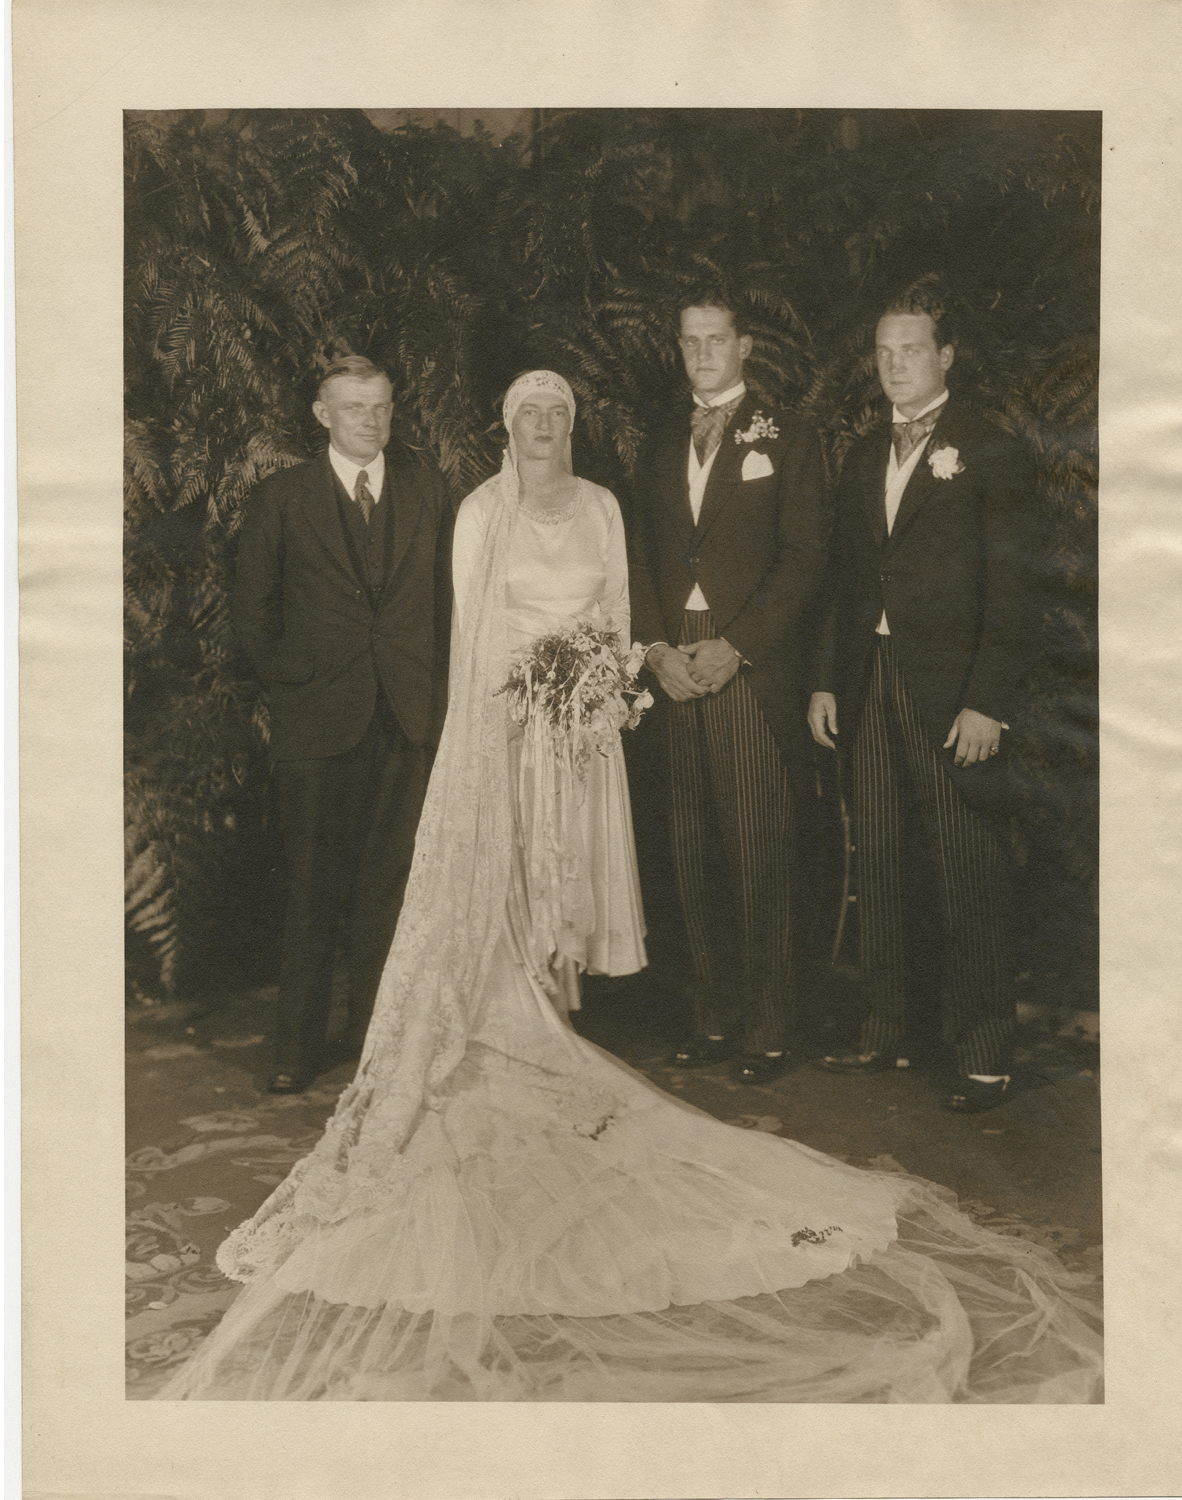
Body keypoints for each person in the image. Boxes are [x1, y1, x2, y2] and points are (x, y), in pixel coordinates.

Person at [158, 369, 1099, 1404]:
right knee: (450, 880)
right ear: (504, 426)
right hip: (503, 720)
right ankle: (433, 1017)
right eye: (529, 415)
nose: (547, 428)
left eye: (558, 414)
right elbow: (470, 631)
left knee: (600, 872)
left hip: (585, 714)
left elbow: (616, 602)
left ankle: (573, 1010)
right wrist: (510, 712)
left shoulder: (602, 503)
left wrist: (597, 683)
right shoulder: (474, 508)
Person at [809, 278, 1036, 1113]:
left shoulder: (991, 447)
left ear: (946, 357)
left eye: (912, 350)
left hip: (951, 693)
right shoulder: (867, 450)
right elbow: (847, 577)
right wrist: (830, 679)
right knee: (883, 854)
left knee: (968, 867)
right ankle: (886, 1032)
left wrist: (988, 700)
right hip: (870, 684)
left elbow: (1013, 589)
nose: (896, 364)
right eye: (884, 352)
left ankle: (983, 1053)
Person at [232, 355, 451, 1094]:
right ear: (322, 414)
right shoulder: (282, 497)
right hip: (319, 720)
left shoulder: (427, 491)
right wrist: (297, 682)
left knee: (388, 886)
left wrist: (435, 694)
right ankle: (295, 1048)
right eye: (354, 407)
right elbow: (251, 616)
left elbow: (448, 607)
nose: (371, 419)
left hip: (407, 716)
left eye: (382, 405)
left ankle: (375, 1044)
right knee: (313, 886)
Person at [628, 291, 830, 1083]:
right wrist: (655, 649)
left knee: (758, 851)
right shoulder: (654, 444)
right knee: (692, 849)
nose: (702, 353)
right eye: (689, 341)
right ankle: (712, 1016)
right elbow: (639, 557)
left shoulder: (789, 437)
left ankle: (770, 1030)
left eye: (717, 340)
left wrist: (738, 647)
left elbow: (806, 558)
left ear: (745, 348)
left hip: (747, 664)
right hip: (677, 662)